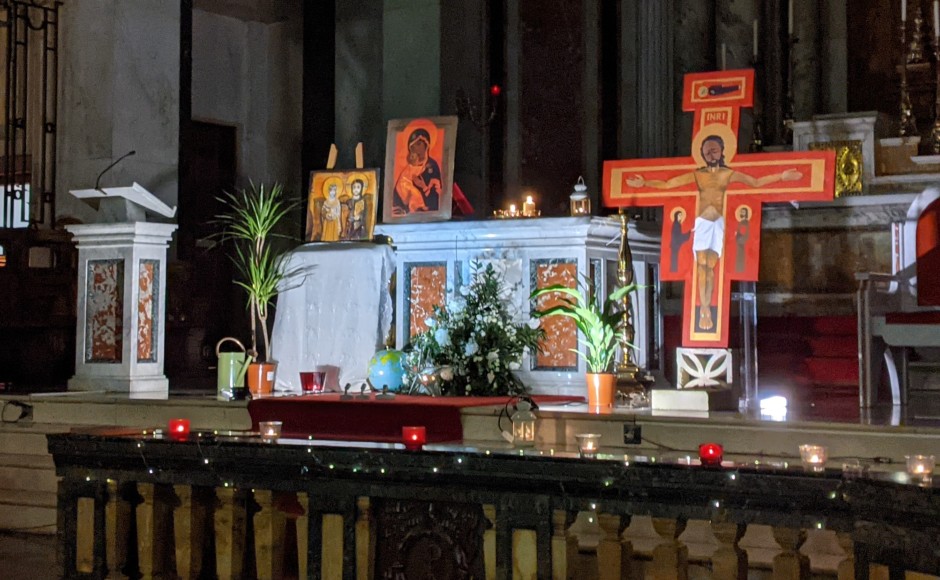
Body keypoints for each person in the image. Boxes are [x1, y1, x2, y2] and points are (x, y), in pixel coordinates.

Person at [626, 135, 801, 331]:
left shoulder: (728, 174)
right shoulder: (697, 175)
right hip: (701, 223)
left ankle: (707, 305)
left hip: (718, 222)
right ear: (702, 154)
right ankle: (705, 308)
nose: (710, 154)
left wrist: (781, 177)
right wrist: (644, 183)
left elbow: (756, 183)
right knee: (702, 267)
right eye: (707, 151)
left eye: (714, 150)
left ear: (721, 151)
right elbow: (668, 184)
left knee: (710, 267)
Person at [394, 128, 443, 214]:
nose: (416, 149)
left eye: (419, 144)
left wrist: (422, 186)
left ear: (426, 145)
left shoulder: (432, 166)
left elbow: (436, 197)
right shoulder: (410, 167)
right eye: (413, 147)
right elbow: (397, 194)